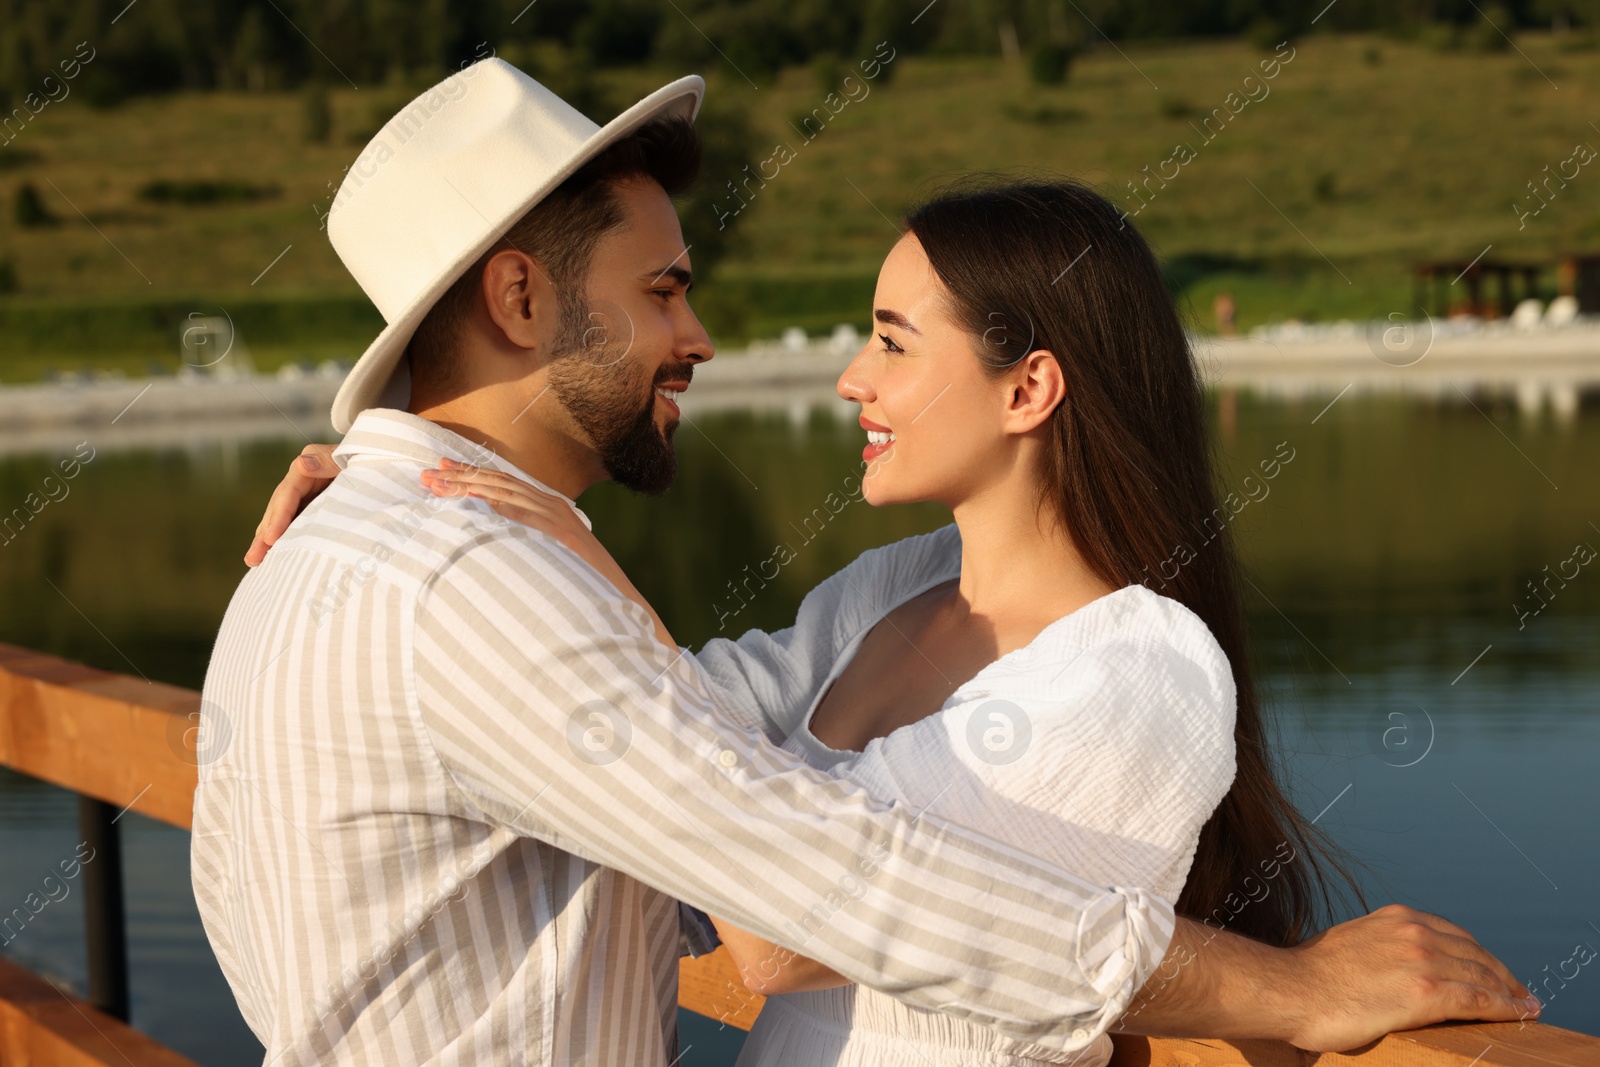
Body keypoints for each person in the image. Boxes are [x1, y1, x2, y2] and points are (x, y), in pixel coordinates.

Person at [225, 59, 1537, 1066]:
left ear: (1032, 388)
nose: (703, 336)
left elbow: (692, 748)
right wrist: (1294, 992)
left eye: (894, 341)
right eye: (666, 289)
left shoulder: (368, 549)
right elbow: (787, 891)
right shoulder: (465, 581)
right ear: (519, 301)